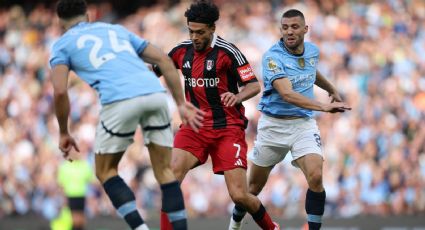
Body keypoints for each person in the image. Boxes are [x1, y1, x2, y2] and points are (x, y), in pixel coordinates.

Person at [49, 0, 204, 229]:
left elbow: (61, 90)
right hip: (154, 93)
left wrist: (64, 131)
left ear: (61, 25)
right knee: (164, 171)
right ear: (88, 16)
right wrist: (180, 102)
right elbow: (163, 59)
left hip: (119, 100)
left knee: (105, 170)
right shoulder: (116, 30)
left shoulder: (62, 45)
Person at [155, 1, 279, 230]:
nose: (194, 37)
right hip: (195, 127)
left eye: (200, 32)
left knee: (240, 195)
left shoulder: (228, 52)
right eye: (191, 31)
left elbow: (253, 85)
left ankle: (273, 228)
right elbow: (154, 71)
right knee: (169, 180)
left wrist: (237, 96)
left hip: (227, 129)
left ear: (212, 28)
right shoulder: (181, 51)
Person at [228, 9, 351, 230]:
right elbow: (287, 94)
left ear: (305, 29)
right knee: (251, 190)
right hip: (273, 126)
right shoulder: (272, 57)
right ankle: (235, 225)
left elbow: (311, 70)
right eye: (285, 28)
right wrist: (323, 106)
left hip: (303, 124)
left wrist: (331, 87)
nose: (289, 32)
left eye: (294, 27)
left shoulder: (312, 51)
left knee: (315, 175)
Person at [57, 156, 94, 230]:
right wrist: (63, 197)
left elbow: (91, 180)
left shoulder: (84, 164)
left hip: (81, 195)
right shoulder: (65, 165)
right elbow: (61, 184)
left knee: (81, 219)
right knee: (73, 219)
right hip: (70, 196)